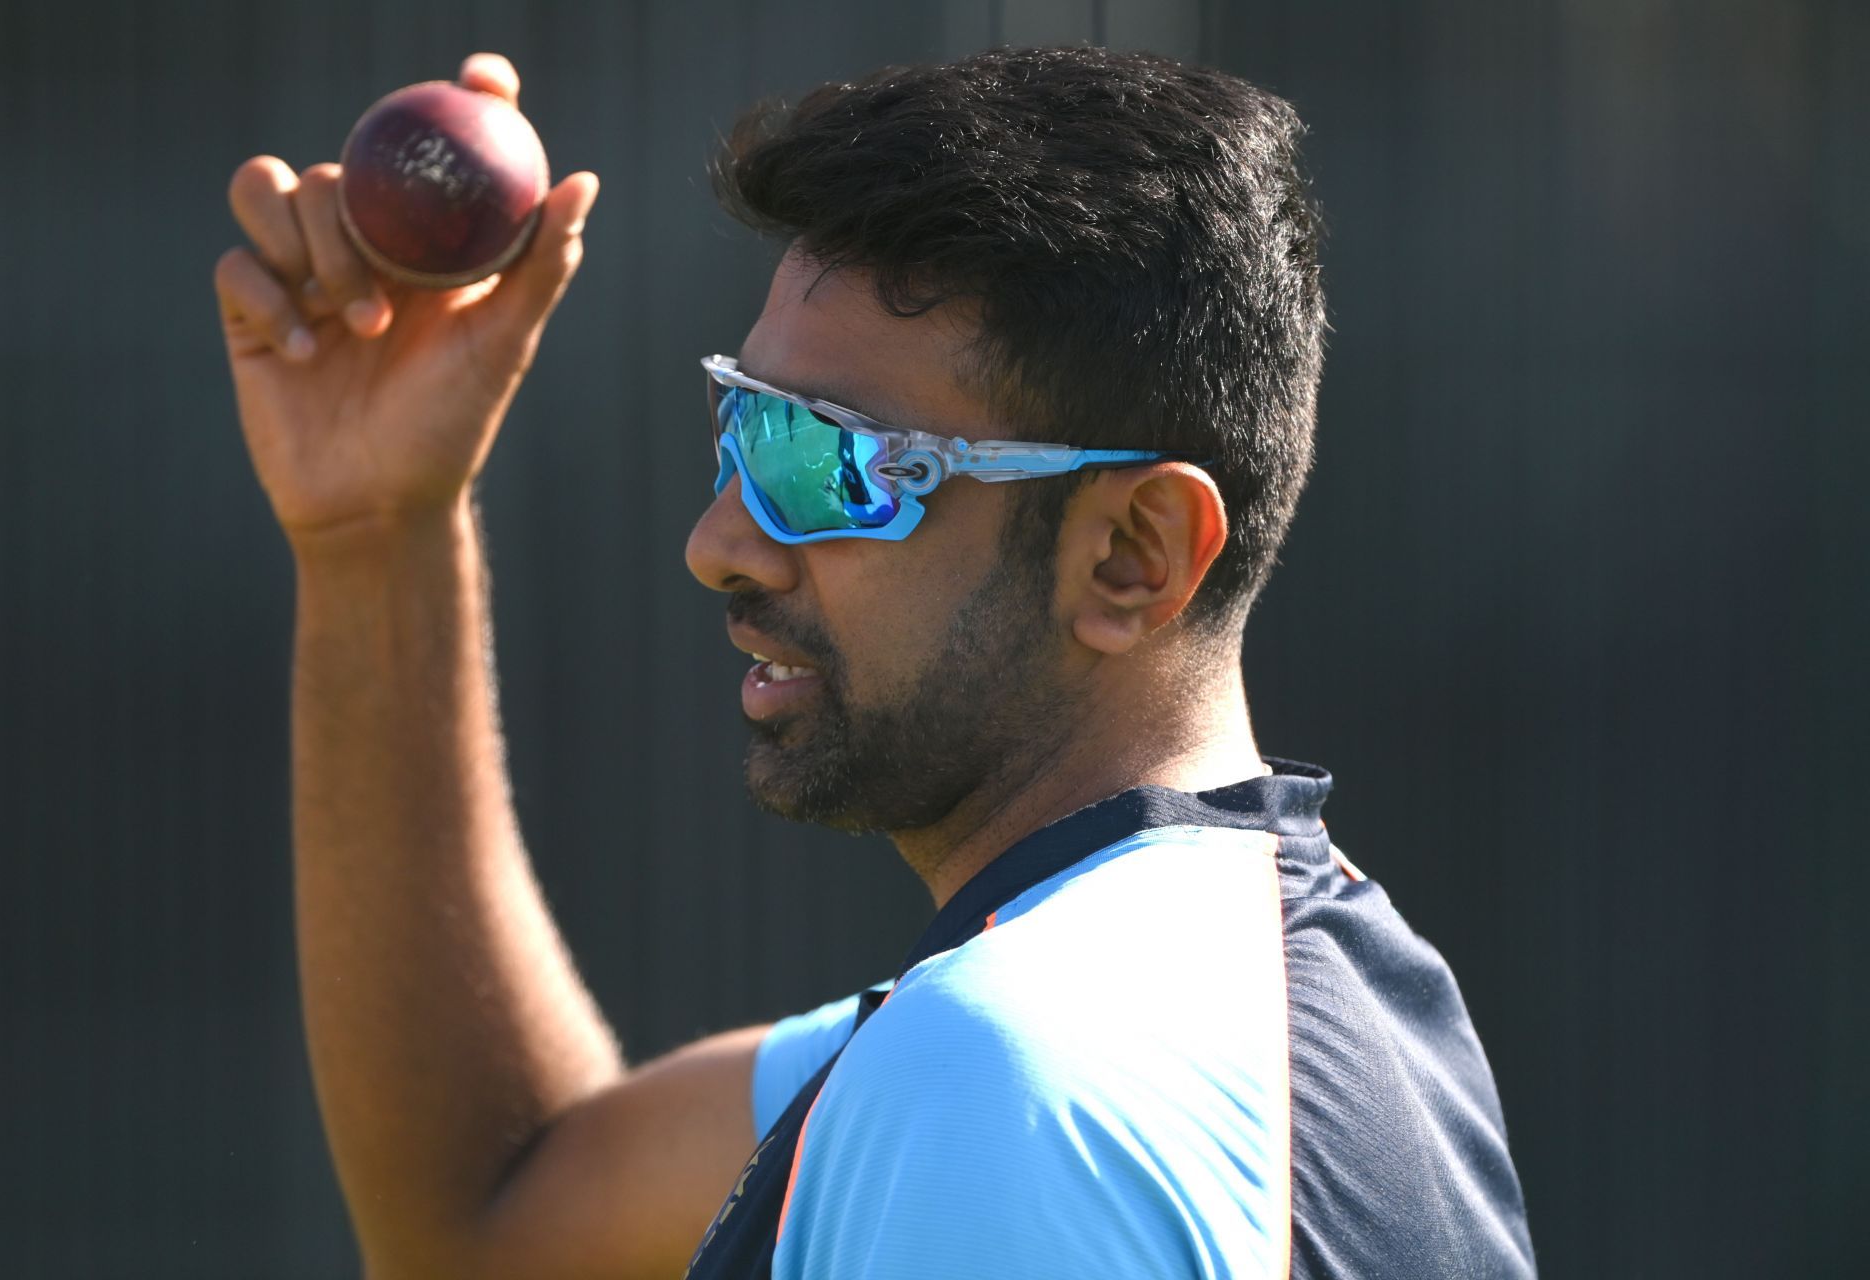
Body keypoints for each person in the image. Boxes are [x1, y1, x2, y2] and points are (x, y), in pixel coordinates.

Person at [214, 44, 1535, 1280]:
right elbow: (493, 1221)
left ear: (1133, 554)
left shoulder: (1010, 1080)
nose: (718, 543)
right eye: (745, 427)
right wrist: (377, 536)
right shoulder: (1273, 989)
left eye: (828, 462)